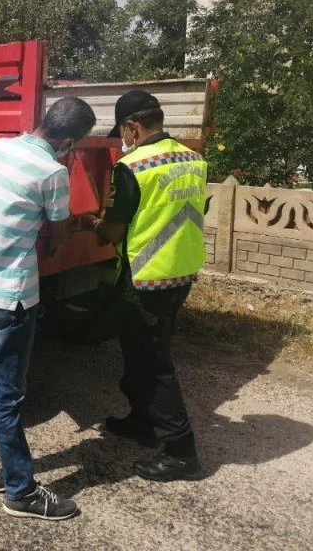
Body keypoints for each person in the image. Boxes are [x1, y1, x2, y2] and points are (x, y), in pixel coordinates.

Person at [0, 97, 96, 520]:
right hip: (14, 295)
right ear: (68, 141)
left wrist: (6, 205)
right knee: (6, 395)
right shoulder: (52, 172)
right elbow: (60, 232)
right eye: (75, 146)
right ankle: (22, 492)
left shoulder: (0, 148)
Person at [79, 89, 207, 482]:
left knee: (154, 365)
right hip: (181, 271)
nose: (123, 140)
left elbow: (114, 231)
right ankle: (141, 421)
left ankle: (181, 452)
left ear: (132, 126)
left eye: (122, 132)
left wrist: (90, 223)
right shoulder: (193, 158)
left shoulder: (132, 167)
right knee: (137, 352)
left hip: (147, 276)